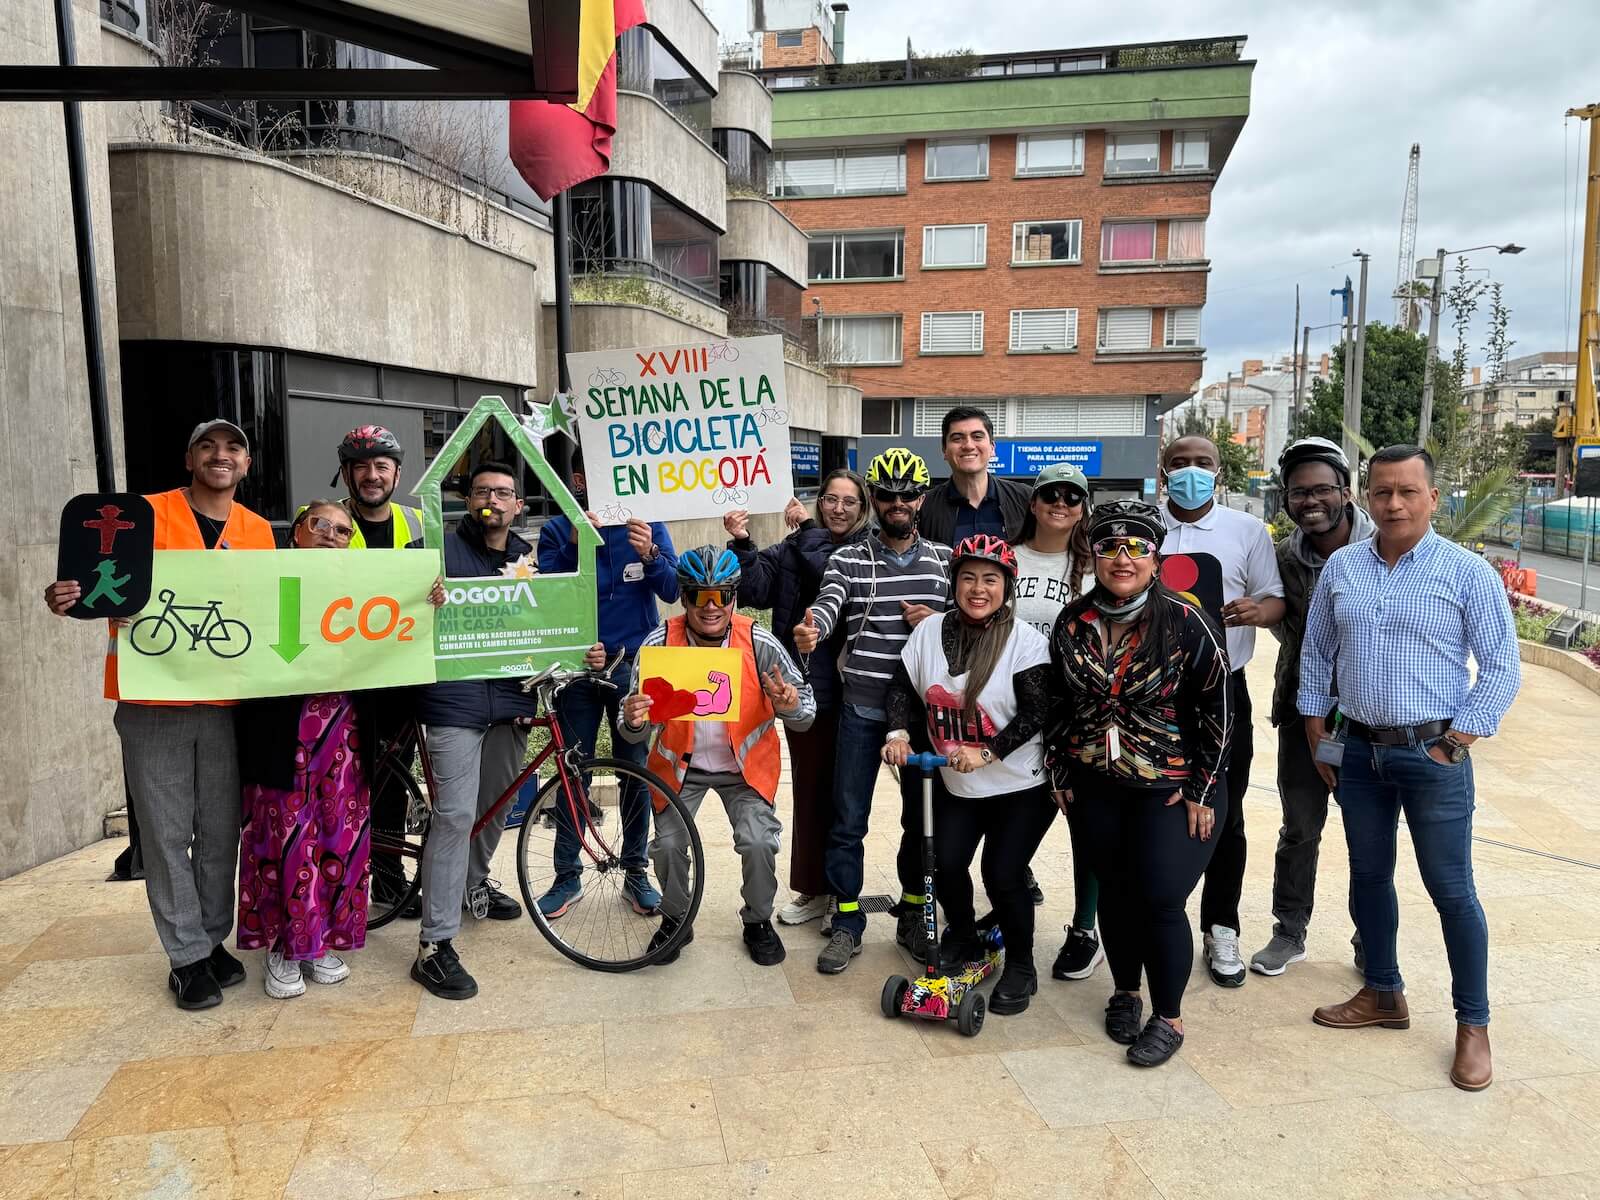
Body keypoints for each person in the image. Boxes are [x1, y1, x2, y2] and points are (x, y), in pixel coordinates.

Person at [1301, 445, 1520, 1093]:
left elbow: (1502, 666)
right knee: (1370, 877)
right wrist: (1318, 731)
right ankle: (1383, 993)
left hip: (1433, 755)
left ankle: (1473, 1025)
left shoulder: (1464, 572)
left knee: (1452, 891)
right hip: (1358, 755)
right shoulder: (1343, 566)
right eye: (1381, 493)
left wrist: (1458, 742)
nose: (1393, 504)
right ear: (1364, 499)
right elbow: (1317, 652)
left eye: (1406, 492)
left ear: (1432, 498)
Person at [44, 419, 276, 1010]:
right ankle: (186, 956)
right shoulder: (139, 514)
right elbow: (97, 585)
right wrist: (67, 599)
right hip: (154, 700)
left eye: (233, 448)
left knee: (222, 833)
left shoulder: (257, 531)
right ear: (189, 457)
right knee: (168, 833)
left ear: (246, 465)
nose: (221, 455)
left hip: (228, 705)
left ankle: (212, 938)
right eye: (208, 445)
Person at [1044, 500, 1231, 1068]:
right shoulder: (1072, 621)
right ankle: (1125, 991)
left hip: (1169, 785)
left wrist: (1202, 789)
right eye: (1108, 546)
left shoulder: (1184, 619)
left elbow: (1219, 711)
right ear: (1092, 554)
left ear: (1155, 556)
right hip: (1095, 782)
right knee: (1116, 892)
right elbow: (1056, 702)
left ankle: (1168, 1017)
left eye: (1136, 548)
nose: (1122, 558)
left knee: (1160, 897)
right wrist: (1059, 770)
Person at [794, 448, 952, 975]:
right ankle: (846, 922)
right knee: (847, 820)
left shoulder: (945, 561)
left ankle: (911, 912)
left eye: (908, 494)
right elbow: (829, 599)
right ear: (874, 501)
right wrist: (812, 625)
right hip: (861, 709)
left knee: (919, 821)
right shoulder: (849, 559)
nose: (898, 502)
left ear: (921, 499)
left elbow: (977, 620)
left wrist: (939, 620)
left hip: (925, 715)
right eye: (887, 494)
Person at [883, 534, 1055, 1014]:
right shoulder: (928, 632)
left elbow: (1037, 711)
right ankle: (963, 935)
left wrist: (988, 752)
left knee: (1002, 873)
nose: (978, 589)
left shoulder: (1025, 642)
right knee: (943, 862)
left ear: (1007, 587)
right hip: (958, 783)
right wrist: (898, 734)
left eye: (991, 579)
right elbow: (902, 686)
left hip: (1021, 784)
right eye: (968, 578)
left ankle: (1022, 964)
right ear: (954, 582)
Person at [619, 547, 816, 965]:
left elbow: (806, 714)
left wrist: (790, 703)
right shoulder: (659, 644)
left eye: (721, 596)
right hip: (679, 770)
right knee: (668, 846)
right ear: (683, 598)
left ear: (734, 597)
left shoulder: (759, 642)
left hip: (744, 770)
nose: (711, 607)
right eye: (698, 596)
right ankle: (676, 920)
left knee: (759, 841)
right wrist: (633, 719)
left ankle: (757, 921)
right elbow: (631, 730)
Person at [410, 462, 544, 1000]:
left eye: (504, 493)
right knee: (456, 814)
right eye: (483, 490)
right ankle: (434, 945)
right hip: (452, 700)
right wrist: (423, 597)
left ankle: (471, 884)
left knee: (497, 805)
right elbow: (393, 606)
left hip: (511, 699)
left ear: (518, 506)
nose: (493, 498)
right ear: (467, 500)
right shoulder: (432, 550)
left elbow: (547, 620)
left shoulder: (531, 558)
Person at [1158, 435, 1284, 988]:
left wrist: (1257, 611)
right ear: (1164, 472)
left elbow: (1275, 597)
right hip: (1153, 693)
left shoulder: (1247, 530)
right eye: (1180, 464)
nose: (1191, 472)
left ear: (1219, 470)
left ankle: (1221, 925)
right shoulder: (1144, 524)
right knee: (1154, 808)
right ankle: (1152, 919)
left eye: (1202, 464)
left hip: (1224, 690)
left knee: (1224, 812)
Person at [235, 503, 373, 999]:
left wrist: (428, 600)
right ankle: (282, 947)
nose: (331, 535)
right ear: (296, 533)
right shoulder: (264, 580)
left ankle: (320, 941)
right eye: (320, 525)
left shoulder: (365, 588)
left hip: (345, 734)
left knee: (340, 840)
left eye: (343, 529)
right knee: (285, 841)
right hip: (282, 733)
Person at [724, 471, 871, 927]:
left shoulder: (866, 548)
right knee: (810, 790)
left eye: (849, 501)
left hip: (858, 688)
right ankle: (813, 888)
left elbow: (828, 568)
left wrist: (807, 530)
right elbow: (753, 589)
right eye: (830, 499)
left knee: (846, 798)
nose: (838, 509)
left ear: (863, 507)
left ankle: (842, 894)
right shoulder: (793, 546)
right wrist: (743, 541)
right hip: (804, 688)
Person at [1250, 438, 1374, 977]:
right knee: (1300, 826)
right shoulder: (1282, 558)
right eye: (1299, 492)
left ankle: (1372, 937)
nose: (1311, 501)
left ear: (1345, 492)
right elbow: (1283, 624)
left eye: (1322, 489)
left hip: (1375, 719)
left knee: (1368, 833)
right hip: (1306, 713)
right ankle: (1289, 929)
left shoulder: (1386, 547)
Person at [536, 453, 679, 921]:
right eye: (596, 472)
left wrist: (650, 555)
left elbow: (673, 591)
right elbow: (546, 597)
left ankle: (637, 873)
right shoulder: (558, 529)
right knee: (570, 768)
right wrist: (576, 544)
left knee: (634, 770)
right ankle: (566, 875)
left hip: (632, 667)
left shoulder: (648, 524)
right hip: (577, 670)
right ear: (579, 477)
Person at [323, 425, 427, 920]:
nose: (371, 475)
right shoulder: (324, 522)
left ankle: (386, 882)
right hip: (347, 676)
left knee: (392, 780)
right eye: (361, 466)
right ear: (345, 473)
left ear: (397, 473)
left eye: (381, 466)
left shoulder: (418, 522)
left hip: (403, 675)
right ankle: (337, 883)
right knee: (343, 783)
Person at [1011, 463, 1105, 982]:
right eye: (1051, 493)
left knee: (1084, 823)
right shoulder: (1010, 557)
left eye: (1073, 496)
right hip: (1011, 710)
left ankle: (1085, 929)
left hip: (1077, 710)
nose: (1061, 503)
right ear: (1033, 501)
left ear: (1083, 506)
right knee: (1010, 813)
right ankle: (1008, 893)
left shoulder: (1094, 568)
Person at [917, 406, 1032, 547]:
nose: (968, 445)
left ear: (992, 448)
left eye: (977, 436)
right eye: (957, 438)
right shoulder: (924, 507)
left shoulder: (1025, 499)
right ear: (944, 450)